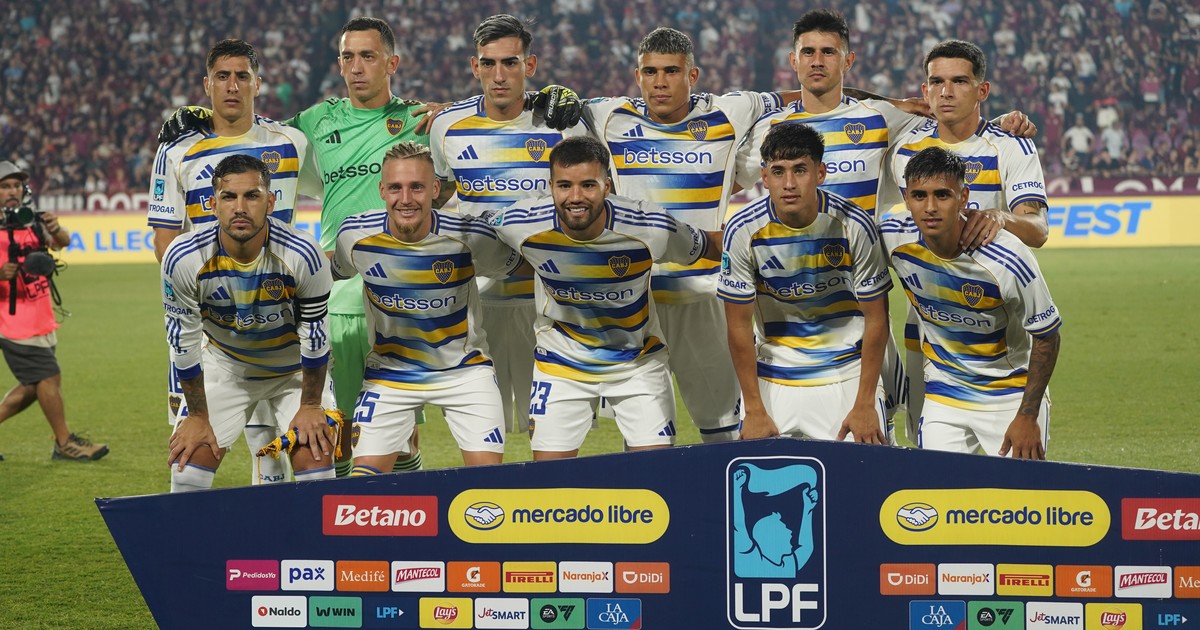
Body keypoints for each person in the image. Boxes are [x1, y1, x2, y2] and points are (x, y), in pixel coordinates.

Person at [157, 17, 440, 477]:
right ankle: (339, 511)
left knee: (401, 432)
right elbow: (245, 133)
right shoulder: (312, 125)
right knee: (339, 432)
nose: (356, 67)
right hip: (338, 292)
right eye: (348, 57)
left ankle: (402, 509)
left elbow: (451, 176)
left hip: (403, 288)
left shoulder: (423, 120)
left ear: (392, 63)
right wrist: (200, 116)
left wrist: (451, 114)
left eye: (368, 56)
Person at [733, 9, 1035, 434]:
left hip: (865, 299)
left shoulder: (880, 117)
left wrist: (1000, 123)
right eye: (809, 53)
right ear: (793, 60)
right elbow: (725, 186)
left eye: (828, 52)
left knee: (878, 424)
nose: (818, 61)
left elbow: (952, 121)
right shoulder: (769, 130)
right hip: (791, 306)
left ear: (848, 60)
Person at [575, 27, 804, 443]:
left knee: (722, 429)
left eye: (671, 71)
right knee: (642, 437)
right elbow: (545, 106)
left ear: (692, 75)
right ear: (637, 75)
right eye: (650, 72)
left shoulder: (730, 111)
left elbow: (807, 95)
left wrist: (897, 106)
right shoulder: (609, 115)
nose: (659, 82)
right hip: (634, 303)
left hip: (703, 297)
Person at [485, 136, 722, 460]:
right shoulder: (520, 223)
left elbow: (710, 245)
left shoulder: (650, 227)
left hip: (637, 364)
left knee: (655, 474)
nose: (575, 197)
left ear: (607, 186)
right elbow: (473, 233)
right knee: (549, 481)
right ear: (550, 186)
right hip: (560, 364)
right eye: (564, 185)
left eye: (588, 185)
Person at [148, 39, 308, 485]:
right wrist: (198, 303)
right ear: (207, 85)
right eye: (222, 76)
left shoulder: (291, 142)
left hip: (278, 320)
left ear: (258, 83)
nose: (232, 86)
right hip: (210, 326)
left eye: (242, 76)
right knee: (192, 448)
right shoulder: (176, 151)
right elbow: (165, 239)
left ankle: (270, 524)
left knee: (271, 451)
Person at [429, 14, 587, 435]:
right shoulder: (447, 126)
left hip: (552, 303)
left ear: (529, 65)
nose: (499, 75)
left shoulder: (561, 123)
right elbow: (438, 194)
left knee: (554, 433)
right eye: (488, 63)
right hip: (479, 304)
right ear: (474, 66)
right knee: (483, 430)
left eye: (510, 63)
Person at [889, 39, 1051, 438]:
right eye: (937, 82)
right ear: (925, 89)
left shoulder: (1010, 145)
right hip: (930, 325)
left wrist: (1001, 216)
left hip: (996, 323)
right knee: (925, 450)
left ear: (982, 90)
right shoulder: (904, 149)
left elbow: (1038, 229)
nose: (946, 91)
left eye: (959, 81)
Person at [332, 142, 517, 473]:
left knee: (487, 486)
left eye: (416, 187)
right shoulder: (354, 236)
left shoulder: (470, 236)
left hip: (465, 372)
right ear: (382, 190)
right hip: (390, 375)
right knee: (363, 490)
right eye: (395, 188)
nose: (405, 199)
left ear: (434, 189)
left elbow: (522, 263)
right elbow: (330, 271)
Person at [161, 154, 336, 491]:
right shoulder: (184, 257)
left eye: (252, 196)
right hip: (227, 368)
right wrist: (197, 416)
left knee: (316, 459)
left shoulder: (303, 253)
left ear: (270, 202)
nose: (240, 207)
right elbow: (183, 343)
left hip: (294, 373)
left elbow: (316, 337)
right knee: (187, 470)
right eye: (229, 197)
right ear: (213, 204)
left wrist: (311, 405)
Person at [879, 147, 1061, 459]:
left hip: (1009, 394)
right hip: (945, 391)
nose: (930, 207)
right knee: (935, 486)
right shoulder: (893, 238)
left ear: (963, 198)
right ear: (907, 199)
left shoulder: (1008, 258)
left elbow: (1048, 335)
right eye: (919, 196)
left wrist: (1028, 415)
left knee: (1019, 491)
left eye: (942, 195)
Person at [721, 124, 891, 443]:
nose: (789, 184)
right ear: (764, 176)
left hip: (846, 369)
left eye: (800, 170)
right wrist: (754, 410)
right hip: (774, 372)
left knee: (867, 467)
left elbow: (877, 318)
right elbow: (739, 325)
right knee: (758, 468)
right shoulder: (743, 229)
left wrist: (865, 403)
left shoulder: (854, 224)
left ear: (820, 173)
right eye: (778, 171)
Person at [0, 161, 108, 462]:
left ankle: (63, 443)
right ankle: (64, 443)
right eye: (5, 186)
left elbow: (63, 242)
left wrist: (55, 228)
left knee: (33, 387)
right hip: (13, 322)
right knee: (48, 377)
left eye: (16, 186)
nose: (12, 191)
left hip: (41, 316)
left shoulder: (32, 221)